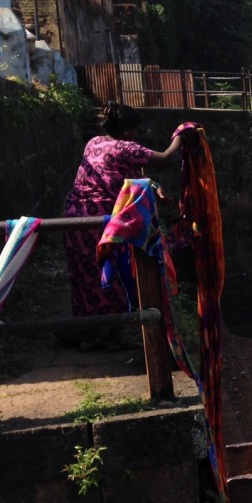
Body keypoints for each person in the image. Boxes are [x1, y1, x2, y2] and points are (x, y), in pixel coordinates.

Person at [63, 102, 182, 351]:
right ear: (127, 130)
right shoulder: (127, 147)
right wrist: (182, 134)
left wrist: (152, 185)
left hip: (75, 219)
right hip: (104, 222)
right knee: (118, 272)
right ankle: (115, 334)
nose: (137, 135)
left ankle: (89, 336)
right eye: (135, 130)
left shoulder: (93, 142)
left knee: (85, 277)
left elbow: (117, 174)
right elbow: (167, 158)